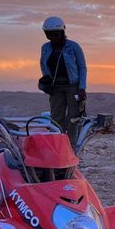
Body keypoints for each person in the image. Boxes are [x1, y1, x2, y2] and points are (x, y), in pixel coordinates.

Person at [40, 16, 87, 146]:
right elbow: (43, 65)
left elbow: (82, 67)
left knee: (73, 118)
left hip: (73, 86)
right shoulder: (45, 48)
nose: (53, 37)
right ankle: (58, 145)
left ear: (62, 32)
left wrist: (82, 87)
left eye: (55, 34)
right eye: (49, 35)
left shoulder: (73, 47)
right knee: (56, 118)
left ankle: (71, 146)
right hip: (55, 88)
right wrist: (47, 81)